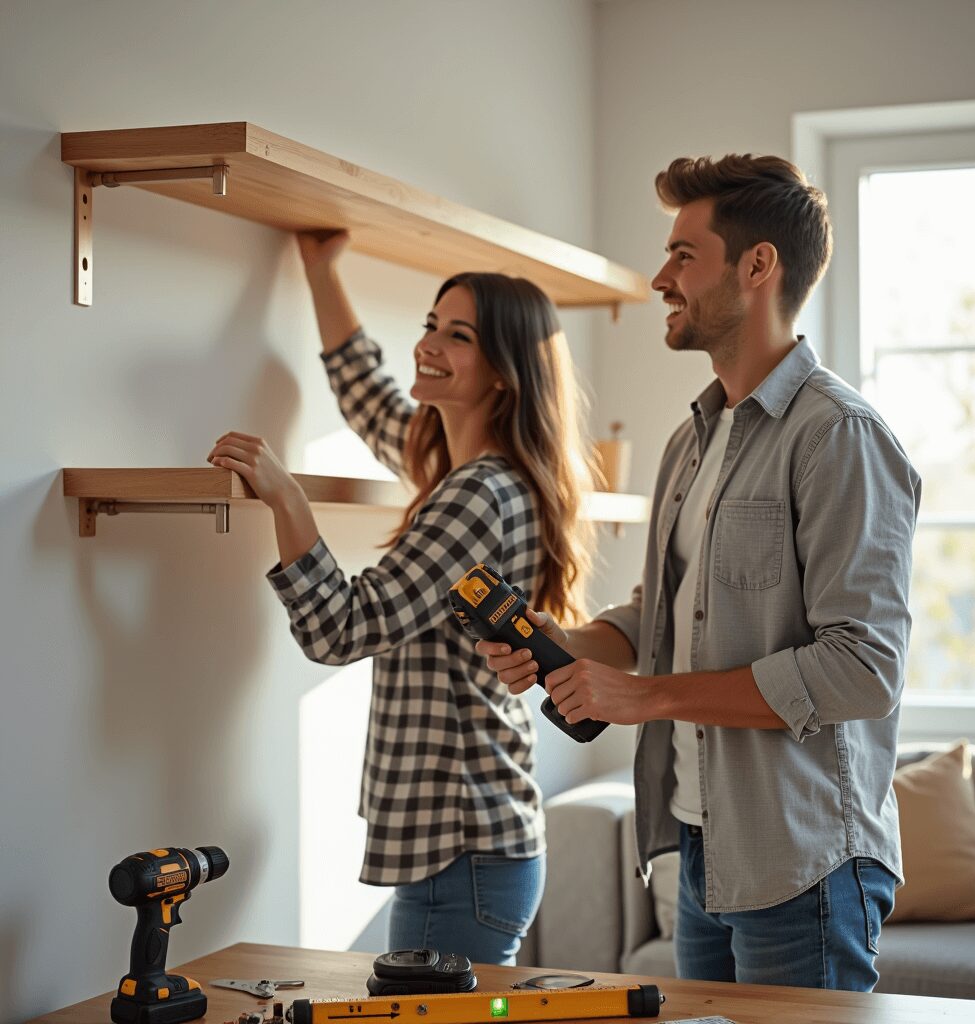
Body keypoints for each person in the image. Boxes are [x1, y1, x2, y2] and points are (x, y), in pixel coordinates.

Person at [477, 155, 922, 990]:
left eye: (684, 254)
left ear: (758, 266)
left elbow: (864, 669)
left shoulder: (840, 437)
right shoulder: (692, 441)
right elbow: (668, 610)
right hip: (696, 844)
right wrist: (569, 643)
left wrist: (645, 696)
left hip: (804, 864)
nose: (659, 278)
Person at [207, 229, 594, 964]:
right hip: (472, 847)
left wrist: (287, 497)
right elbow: (368, 398)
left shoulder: (477, 493)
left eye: (459, 336)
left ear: (505, 373)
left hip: (461, 850)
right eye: (429, 324)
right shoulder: (456, 463)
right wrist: (321, 269)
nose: (430, 344)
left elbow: (342, 628)